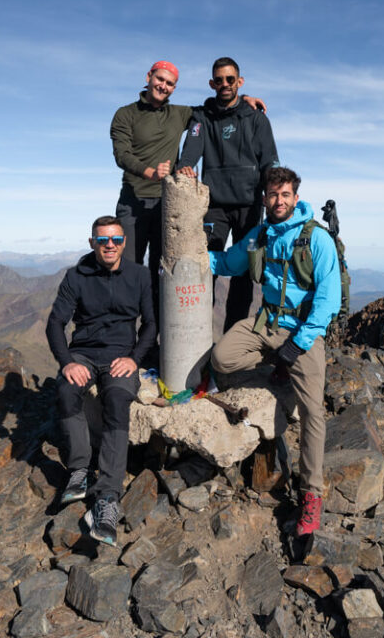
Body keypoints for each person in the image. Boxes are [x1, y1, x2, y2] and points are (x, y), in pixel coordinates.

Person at [209, 166, 339, 536]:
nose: (278, 201)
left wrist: (296, 346)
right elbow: (228, 262)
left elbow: (328, 301)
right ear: (264, 198)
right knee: (222, 358)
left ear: (295, 198)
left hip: (302, 330)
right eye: (272, 195)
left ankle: (311, 493)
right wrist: (191, 258)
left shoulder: (316, 239)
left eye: (285, 195)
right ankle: (276, 375)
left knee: (314, 411)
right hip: (265, 323)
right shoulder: (261, 234)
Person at [110, 60, 265, 336]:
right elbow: (121, 155)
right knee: (130, 274)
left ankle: (154, 341)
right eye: (160, 80)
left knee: (163, 274)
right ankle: (123, 340)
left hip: (167, 207)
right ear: (148, 77)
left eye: (170, 84)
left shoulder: (180, 114)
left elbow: (216, 107)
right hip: (133, 205)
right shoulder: (125, 114)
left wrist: (244, 100)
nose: (163, 86)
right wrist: (150, 172)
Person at [45, 216, 155, 547]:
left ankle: (107, 496)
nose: (110, 245)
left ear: (124, 243)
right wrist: (66, 363)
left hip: (121, 355)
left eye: (116, 240)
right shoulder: (76, 276)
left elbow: (150, 324)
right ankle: (79, 469)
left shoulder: (139, 275)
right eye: (103, 239)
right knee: (66, 391)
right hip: (83, 353)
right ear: (92, 242)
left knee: (117, 402)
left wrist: (134, 358)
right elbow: (55, 324)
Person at [178, 57, 280, 332]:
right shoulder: (202, 117)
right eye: (219, 80)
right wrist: (185, 166)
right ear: (212, 83)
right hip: (215, 206)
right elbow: (191, 149)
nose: (225, 84)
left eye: (230, 79)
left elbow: (269, 159)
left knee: (244, 272)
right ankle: (197, 336)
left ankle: (230, 339)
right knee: (206, 266)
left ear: (240, 82)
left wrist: (274, 193)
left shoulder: (257, 119)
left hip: (249, 206)